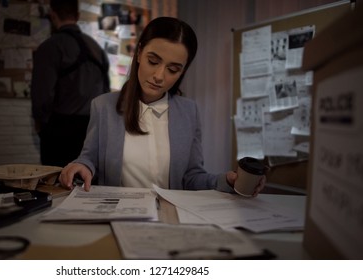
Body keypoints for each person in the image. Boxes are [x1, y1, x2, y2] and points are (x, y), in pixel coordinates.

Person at [59, 17, 266, 195]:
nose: (159, 76)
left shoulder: (189, 112)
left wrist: (226, 181)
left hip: (170, 220)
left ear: (182, 72)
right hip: (118, 216)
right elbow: (88, 159)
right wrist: (80, 166)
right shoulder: (103, 106)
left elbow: (192, 178)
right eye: (153, 61)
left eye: (173, 69)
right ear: (139, 53)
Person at [31, 0, 110, 167]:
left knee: (57, 184)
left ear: (52, 15)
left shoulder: (50, 47)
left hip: (60, 131)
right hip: (93, 130)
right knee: (88, 184)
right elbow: (106, 91)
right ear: (78, 16)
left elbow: (42, 95)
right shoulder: (96, 48)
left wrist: (41, 123)